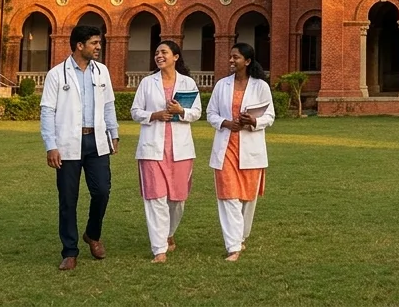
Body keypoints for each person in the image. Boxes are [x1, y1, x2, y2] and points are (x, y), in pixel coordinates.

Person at [40, 25, 119, 271]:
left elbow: (108, 105)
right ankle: (70, 251)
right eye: (94, 43)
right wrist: (51, 145)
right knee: (68, 199)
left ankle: (92, 234)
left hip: (96, 142)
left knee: (102, 191)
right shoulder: (57, 74)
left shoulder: (101, 71)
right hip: (67, 144)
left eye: (99, 42)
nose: (99, 47)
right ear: (79, 45)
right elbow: (47, 111)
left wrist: (113, 134)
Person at [131, 40, 204, 263]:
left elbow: (197, 112)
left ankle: (169, 233)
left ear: (176, 57)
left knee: (177, 199)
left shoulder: (188, 83)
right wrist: (154, 115)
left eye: (164, 52)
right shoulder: (146, 83)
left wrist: (180, 111)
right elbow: (135, 111)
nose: (159, 56)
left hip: (180, 150)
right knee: (155, 198)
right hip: (152, 149)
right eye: (156, 53)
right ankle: (159, 248)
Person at [208, 42, 276, 261]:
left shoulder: (260, 86)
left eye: (235, 57)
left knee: (248, 198)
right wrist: (226, 123)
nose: (231, 60)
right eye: (231, 57)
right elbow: (211, 113)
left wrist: (253, 121)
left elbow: (270, 116)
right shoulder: (221, 85)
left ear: (247, 61)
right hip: (226, 147)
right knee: (229, 196)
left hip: (251, 148)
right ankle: (233, 246)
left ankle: (241, 236)